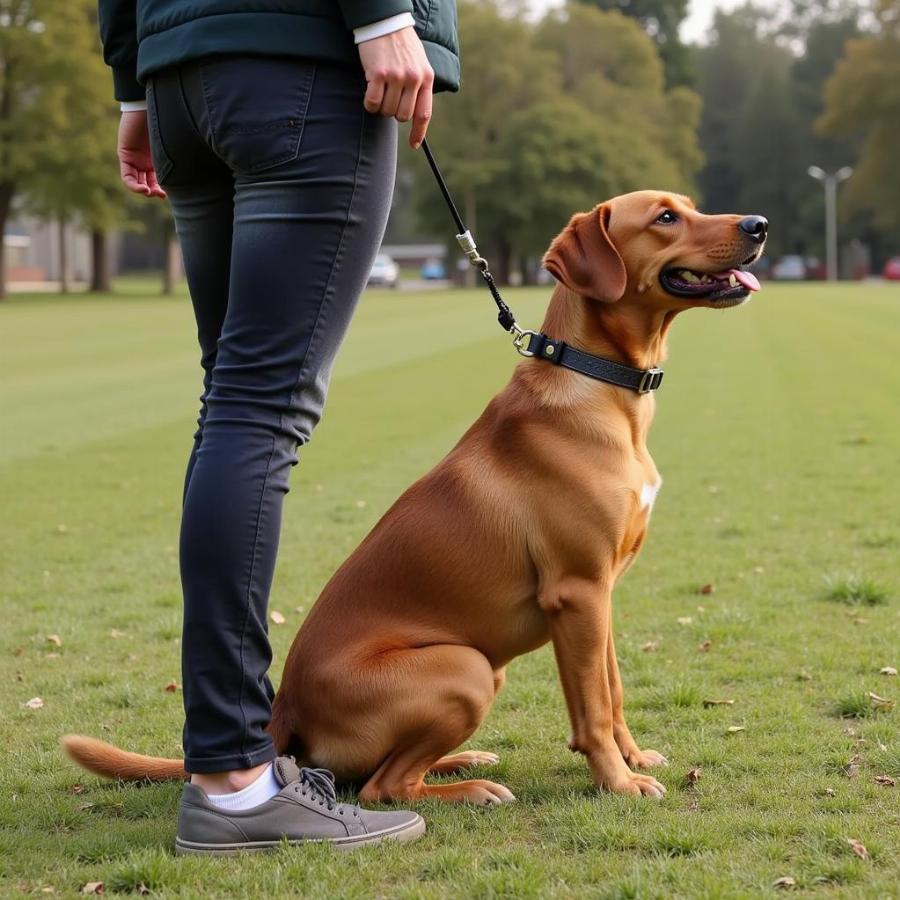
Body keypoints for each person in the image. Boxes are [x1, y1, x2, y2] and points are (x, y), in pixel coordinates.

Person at [98, 0, 459, 853]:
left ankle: (229, 760)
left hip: (184, 75)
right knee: (258, 408)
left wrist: (136, 81)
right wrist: (379, 16)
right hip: (301, 61)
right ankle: (231, 782)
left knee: (232, 399)